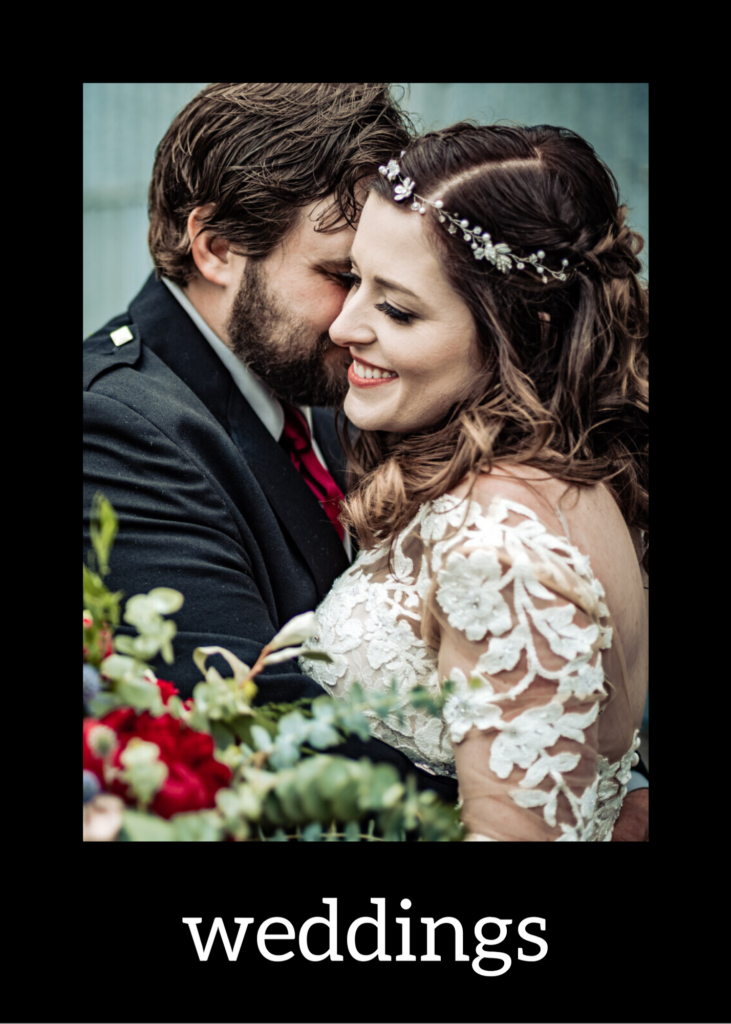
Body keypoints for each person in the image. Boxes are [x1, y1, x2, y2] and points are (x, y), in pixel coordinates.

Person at [83, 83, 648, 835]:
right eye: (342, 276)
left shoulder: (353, 383)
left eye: (389, 294)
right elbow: (250, 744)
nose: (352, 321)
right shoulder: (118, 425)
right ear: (215, 247)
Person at [298, 123, 649, 840]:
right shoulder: (554, 479)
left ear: (528, 331)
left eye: (397, 309)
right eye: (352, 280)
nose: (344, 326)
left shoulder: (497, 545)